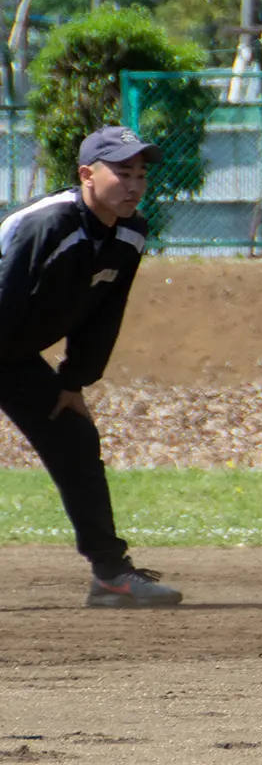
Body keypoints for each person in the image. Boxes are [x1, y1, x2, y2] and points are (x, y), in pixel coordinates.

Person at [0, 126, 181, 607]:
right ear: (86, 174)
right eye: (122, 172)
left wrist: (72, 381)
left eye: (141, 174)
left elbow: (104, 310)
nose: (135, 184)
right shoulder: (50, 224)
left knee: (74, 436)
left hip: (12, 356)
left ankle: (110, 575)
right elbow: (5, 298)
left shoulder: (131, 233)